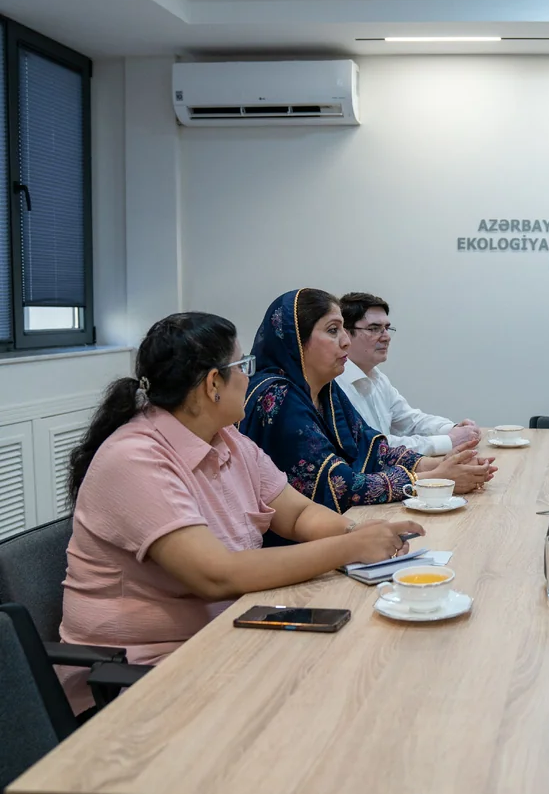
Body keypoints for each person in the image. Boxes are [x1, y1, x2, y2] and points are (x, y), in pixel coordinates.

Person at [59, 312, 423, 712]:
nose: (249, 377)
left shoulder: (228, 440)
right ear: (214, 383)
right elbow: (217, 575)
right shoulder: (135, 458)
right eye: (242, 366)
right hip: (143, 676)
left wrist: (358, 533)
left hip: (225, 639)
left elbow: (298, 515)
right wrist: (350, 548)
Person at [240, 289, 494, 520]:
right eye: (332, 330)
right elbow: (337, 487)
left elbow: (373, 448)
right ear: (297, 339)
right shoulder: (278, 396)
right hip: (291, 546)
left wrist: (440, 464)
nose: (345, 342)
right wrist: (432, 479)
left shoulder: (327, 389)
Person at [336, 292, 480, 456]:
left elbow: (410, 421)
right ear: (345, 334)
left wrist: (453, 429)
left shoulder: (377, 377)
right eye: (374, 329)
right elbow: (375, 447)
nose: (386, 337)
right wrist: (448, 441)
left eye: (387, 328)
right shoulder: (335, 385)